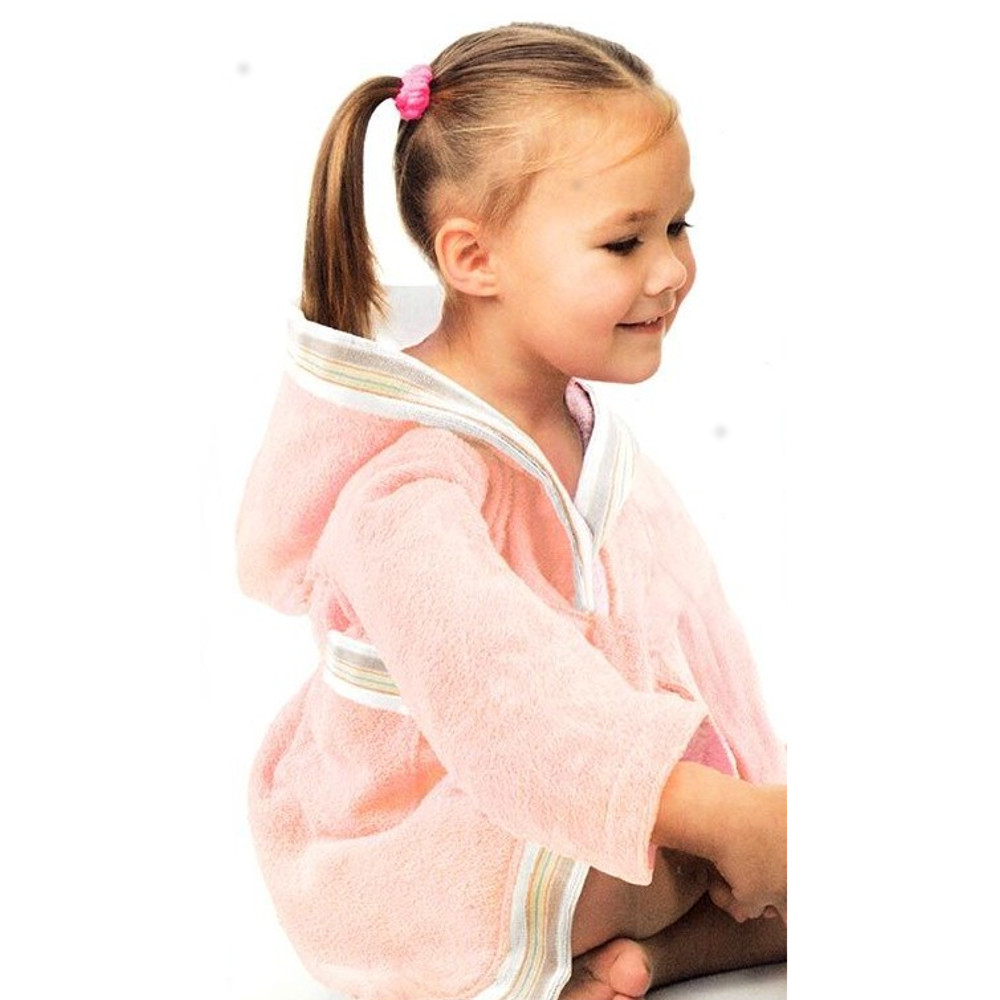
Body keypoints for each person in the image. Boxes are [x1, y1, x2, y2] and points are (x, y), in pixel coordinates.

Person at [236, 22, 787, 1000]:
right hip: (413, 852)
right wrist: (719, 818)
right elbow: (506, 702)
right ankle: (677, 901)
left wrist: (754, 790)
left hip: (580, 788)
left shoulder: (582, 435)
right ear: (473, 258)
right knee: (733, 859)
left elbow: (689, 624)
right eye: (624, 240)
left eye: (679, 227)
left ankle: (653, 956)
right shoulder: (405, 491)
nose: (669, 270)